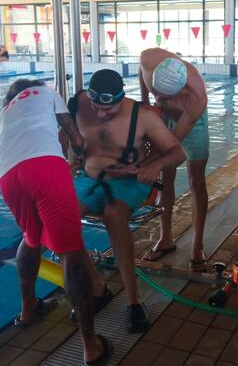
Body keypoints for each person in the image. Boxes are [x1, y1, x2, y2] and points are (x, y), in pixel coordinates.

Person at [0, 78, 112, 365]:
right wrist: (79, 161)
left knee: (31, 237)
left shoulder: (5, 113)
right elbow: (76, 139)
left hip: (6, 176)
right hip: (45, 168)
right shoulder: (47, 92)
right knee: (70, 253)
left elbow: (22, 144)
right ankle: (90, 346)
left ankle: (27, 310)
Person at [68, 69, 186, 333]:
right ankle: (97, 288)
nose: (101, 114)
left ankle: (133, 300)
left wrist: (154, 166)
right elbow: (66, 132)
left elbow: (178, 152)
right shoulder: (79, 104)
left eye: (108, 109)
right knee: (62, 221)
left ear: (121, 99)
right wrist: (71, 156)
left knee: (113, 214)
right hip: (88, 179)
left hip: (129, 182)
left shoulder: (142, 116)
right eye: (96, 107)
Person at [138, 48, 209, 272]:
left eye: (166, 97)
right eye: (157, 93)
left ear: (181, 91)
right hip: (162, 117)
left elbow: (172, 146)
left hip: (189, 123)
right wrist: (146, 101)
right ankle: (165, 238)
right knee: (165, 177)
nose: (160, 99)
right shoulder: (150, 58)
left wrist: (151, 161)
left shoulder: (196, 100)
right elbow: (141, 71)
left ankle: (197, 246)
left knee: (196, 179)